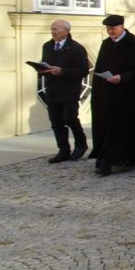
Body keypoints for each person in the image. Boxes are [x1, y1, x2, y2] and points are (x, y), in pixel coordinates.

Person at [89, 14, 135, 176]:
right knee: (109, 127)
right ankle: (107, 159)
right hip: (109, 95)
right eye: (108, 29)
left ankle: (110, 161)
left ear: (121, 27)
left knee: (122, 128)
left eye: (113, 28)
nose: (110, 31)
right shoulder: (106, 44)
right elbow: (100, 66)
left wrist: (122, 77)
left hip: (129, 97)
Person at [37, 19, 90, 163]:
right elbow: (45, 63)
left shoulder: (76, 48)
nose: (53, 32)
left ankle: (81, 144)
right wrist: (42, 70)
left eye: (56, 29)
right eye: (52, 29)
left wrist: (62, 71)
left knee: (70, 118)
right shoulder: (47, 46)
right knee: (56, 121)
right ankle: (63, 149)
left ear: (66, 31)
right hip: (52, 90)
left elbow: (83, 71)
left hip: (69, 91)